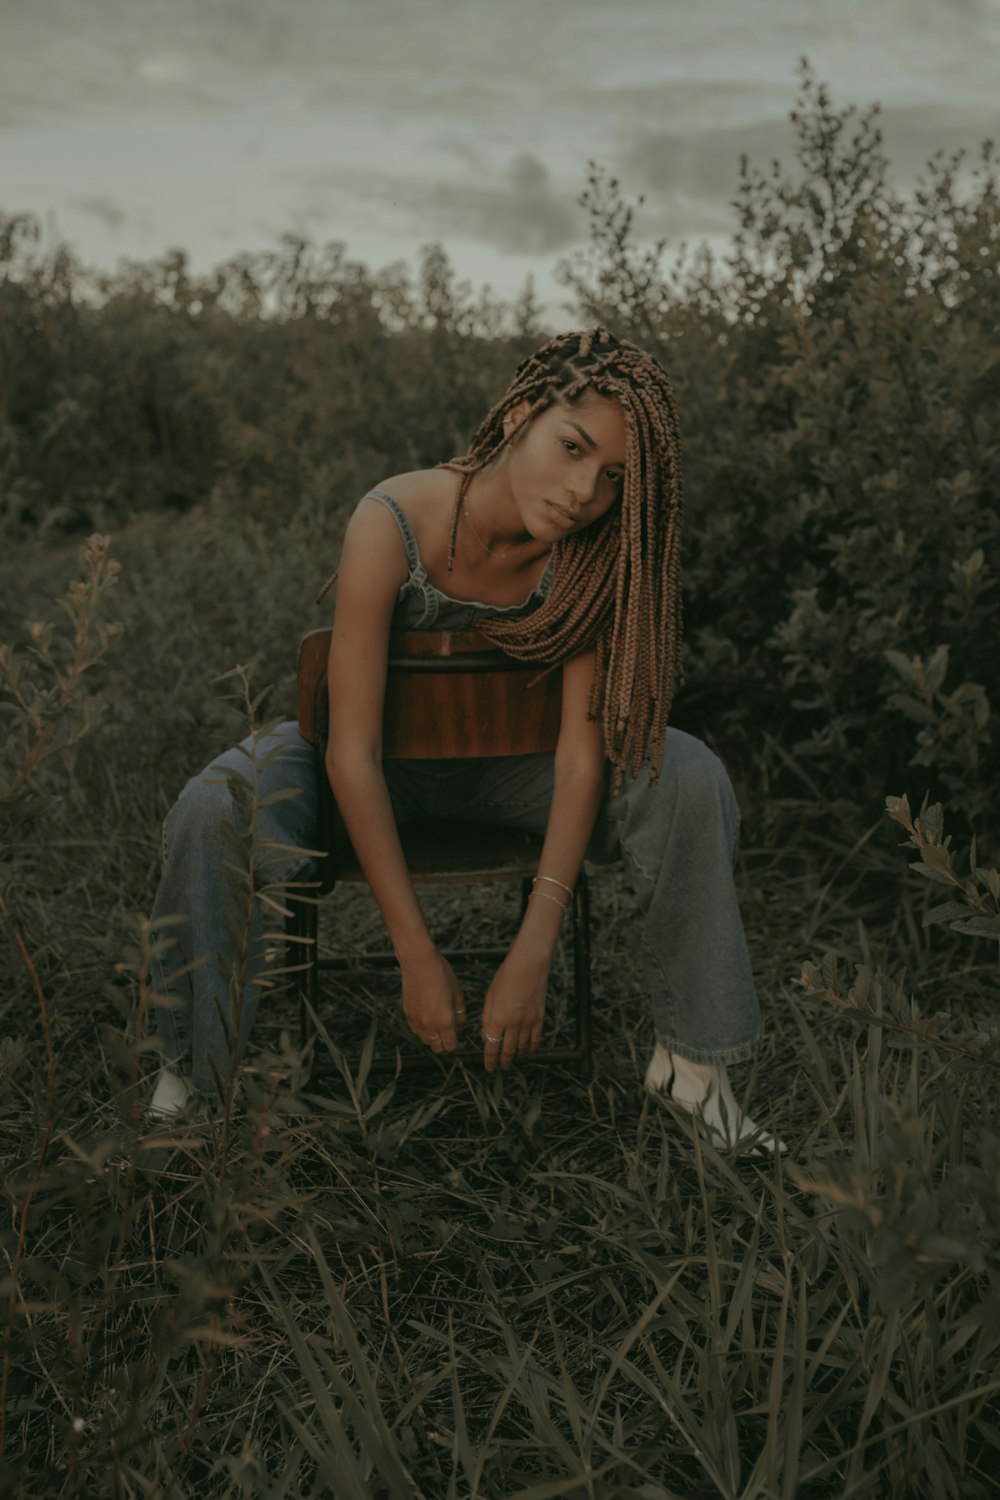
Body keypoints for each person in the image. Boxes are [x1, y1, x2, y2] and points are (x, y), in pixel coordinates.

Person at [148, 328, 777, 1150]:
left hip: (518, 772)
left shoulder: (590, 558)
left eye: (614, 477)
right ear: (521, 413)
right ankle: (191, 1077)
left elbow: (581, 755)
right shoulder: (392, 520)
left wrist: (532, 952)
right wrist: (416, 955)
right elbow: (350, 752)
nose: (586, 490)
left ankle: (694, 1069)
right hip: (375, 767)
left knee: (685, 770)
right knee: (211, 807)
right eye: (573, 447)